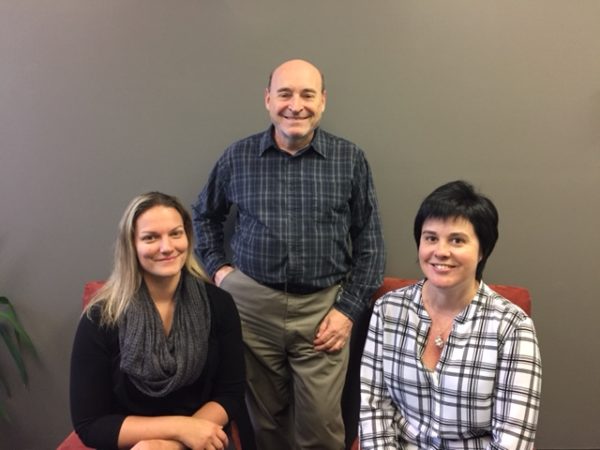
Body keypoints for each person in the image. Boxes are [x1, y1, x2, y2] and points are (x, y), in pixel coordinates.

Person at [192, 59, 385, 449]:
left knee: (322, 427)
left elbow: (371, 243)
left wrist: (347, 311)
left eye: (307, 94)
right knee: (264, 425)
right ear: (267, 100)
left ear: (323, 101)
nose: (295, 105)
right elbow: (204, 215)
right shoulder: (238, 157)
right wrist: (219, 271)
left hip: (322, 310)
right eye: (284, 94)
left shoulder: (350, 160)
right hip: (251, 306)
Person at [360, 180, 542, 449]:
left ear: (482, 250)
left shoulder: (513, 328)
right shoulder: (388, 310)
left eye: (457, 240)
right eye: (431, 238)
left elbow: (512, 439)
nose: (440, 252)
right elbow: (373, 406)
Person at [70, 192, 248, 450]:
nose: (167, 247)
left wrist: (170, 446)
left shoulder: (219, 304)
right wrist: (179, 429)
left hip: (202, 441)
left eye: (175, 233)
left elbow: (230, 394)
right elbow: (90, 423)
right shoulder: (100, 318)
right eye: (150, 237)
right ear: (131, 244)